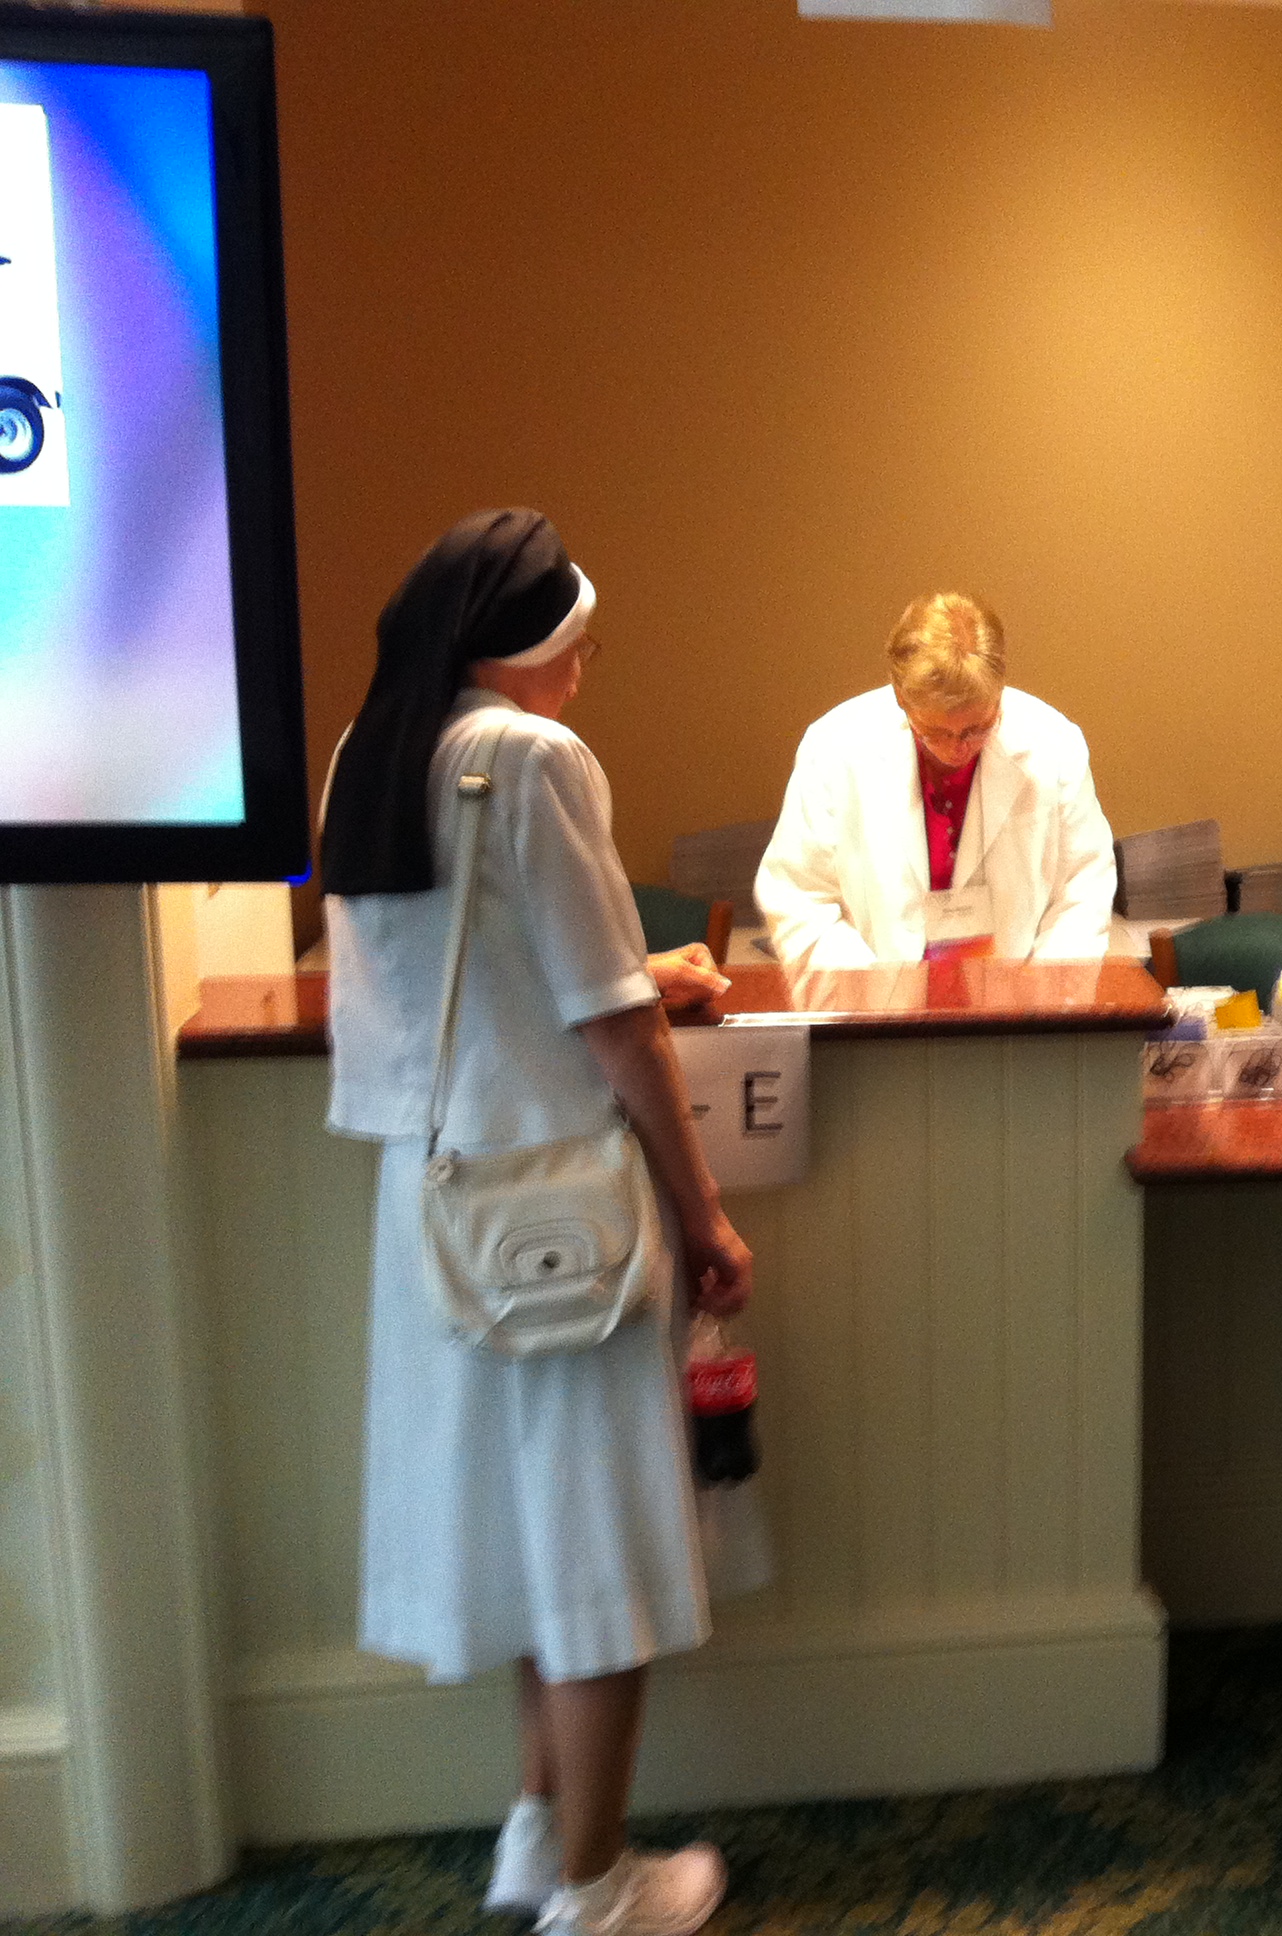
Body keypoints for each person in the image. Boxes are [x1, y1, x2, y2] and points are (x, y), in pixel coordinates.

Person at [320, 510, 755, 1936]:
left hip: (439, 1206)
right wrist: (703, 1221)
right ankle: (597, 1885)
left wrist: (642, 978)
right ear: (526, 650)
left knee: (525, 1543)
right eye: (575, 647)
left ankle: (532, 1834)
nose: (584, 673)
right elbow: (613, 1031)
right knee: (604, 1561)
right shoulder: (531, 757)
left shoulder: (376, 749)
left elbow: (478, 975)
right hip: (564, 1207)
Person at [755, 591, 1116, 999]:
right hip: (878, 1009)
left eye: (978, 728)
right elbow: (800, 897)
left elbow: (1083, 889)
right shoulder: (835, 747)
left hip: (1016, 1007)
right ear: (900, 698)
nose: (957, 749)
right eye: (936, 732)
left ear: (999, 693)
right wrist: (876, 999)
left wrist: (1040, 999)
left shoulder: (1054, 746)